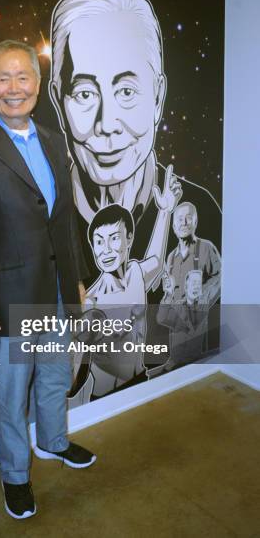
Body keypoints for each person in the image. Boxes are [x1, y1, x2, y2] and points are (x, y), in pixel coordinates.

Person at [0, 40, 95, 520]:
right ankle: (15, 475)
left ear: (37, 84)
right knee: (12, 395)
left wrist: (75, 278)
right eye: (3, 78)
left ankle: (53, 441)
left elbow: (64, 219)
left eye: (23, 77)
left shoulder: (53, 140)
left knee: (54, 377)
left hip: (55, 291)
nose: (14, 88)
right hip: (10, 299)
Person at [49, 0, 222, 291]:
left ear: (158, 99)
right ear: (59, 102)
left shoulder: (200, 211)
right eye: (85, 94)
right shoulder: (45, 214)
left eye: (126, 91)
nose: (106, 124)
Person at [83, 165, 181, 395]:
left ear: (129, 239)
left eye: (113, 238)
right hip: (105, 396)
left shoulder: (136, 273)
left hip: (139, 381)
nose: (105, 250)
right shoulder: (92, 300)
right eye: (98, 242)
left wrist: (165, 210)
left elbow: (156, 260)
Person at [164, 202, 221, 305]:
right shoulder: (171, 258)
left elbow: (220, 278)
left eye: (189, 218)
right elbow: (169, 292)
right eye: (180, 219)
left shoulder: (206, 248)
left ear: (195, 222)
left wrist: (201, 301)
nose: (184, 223)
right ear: (174, 227)